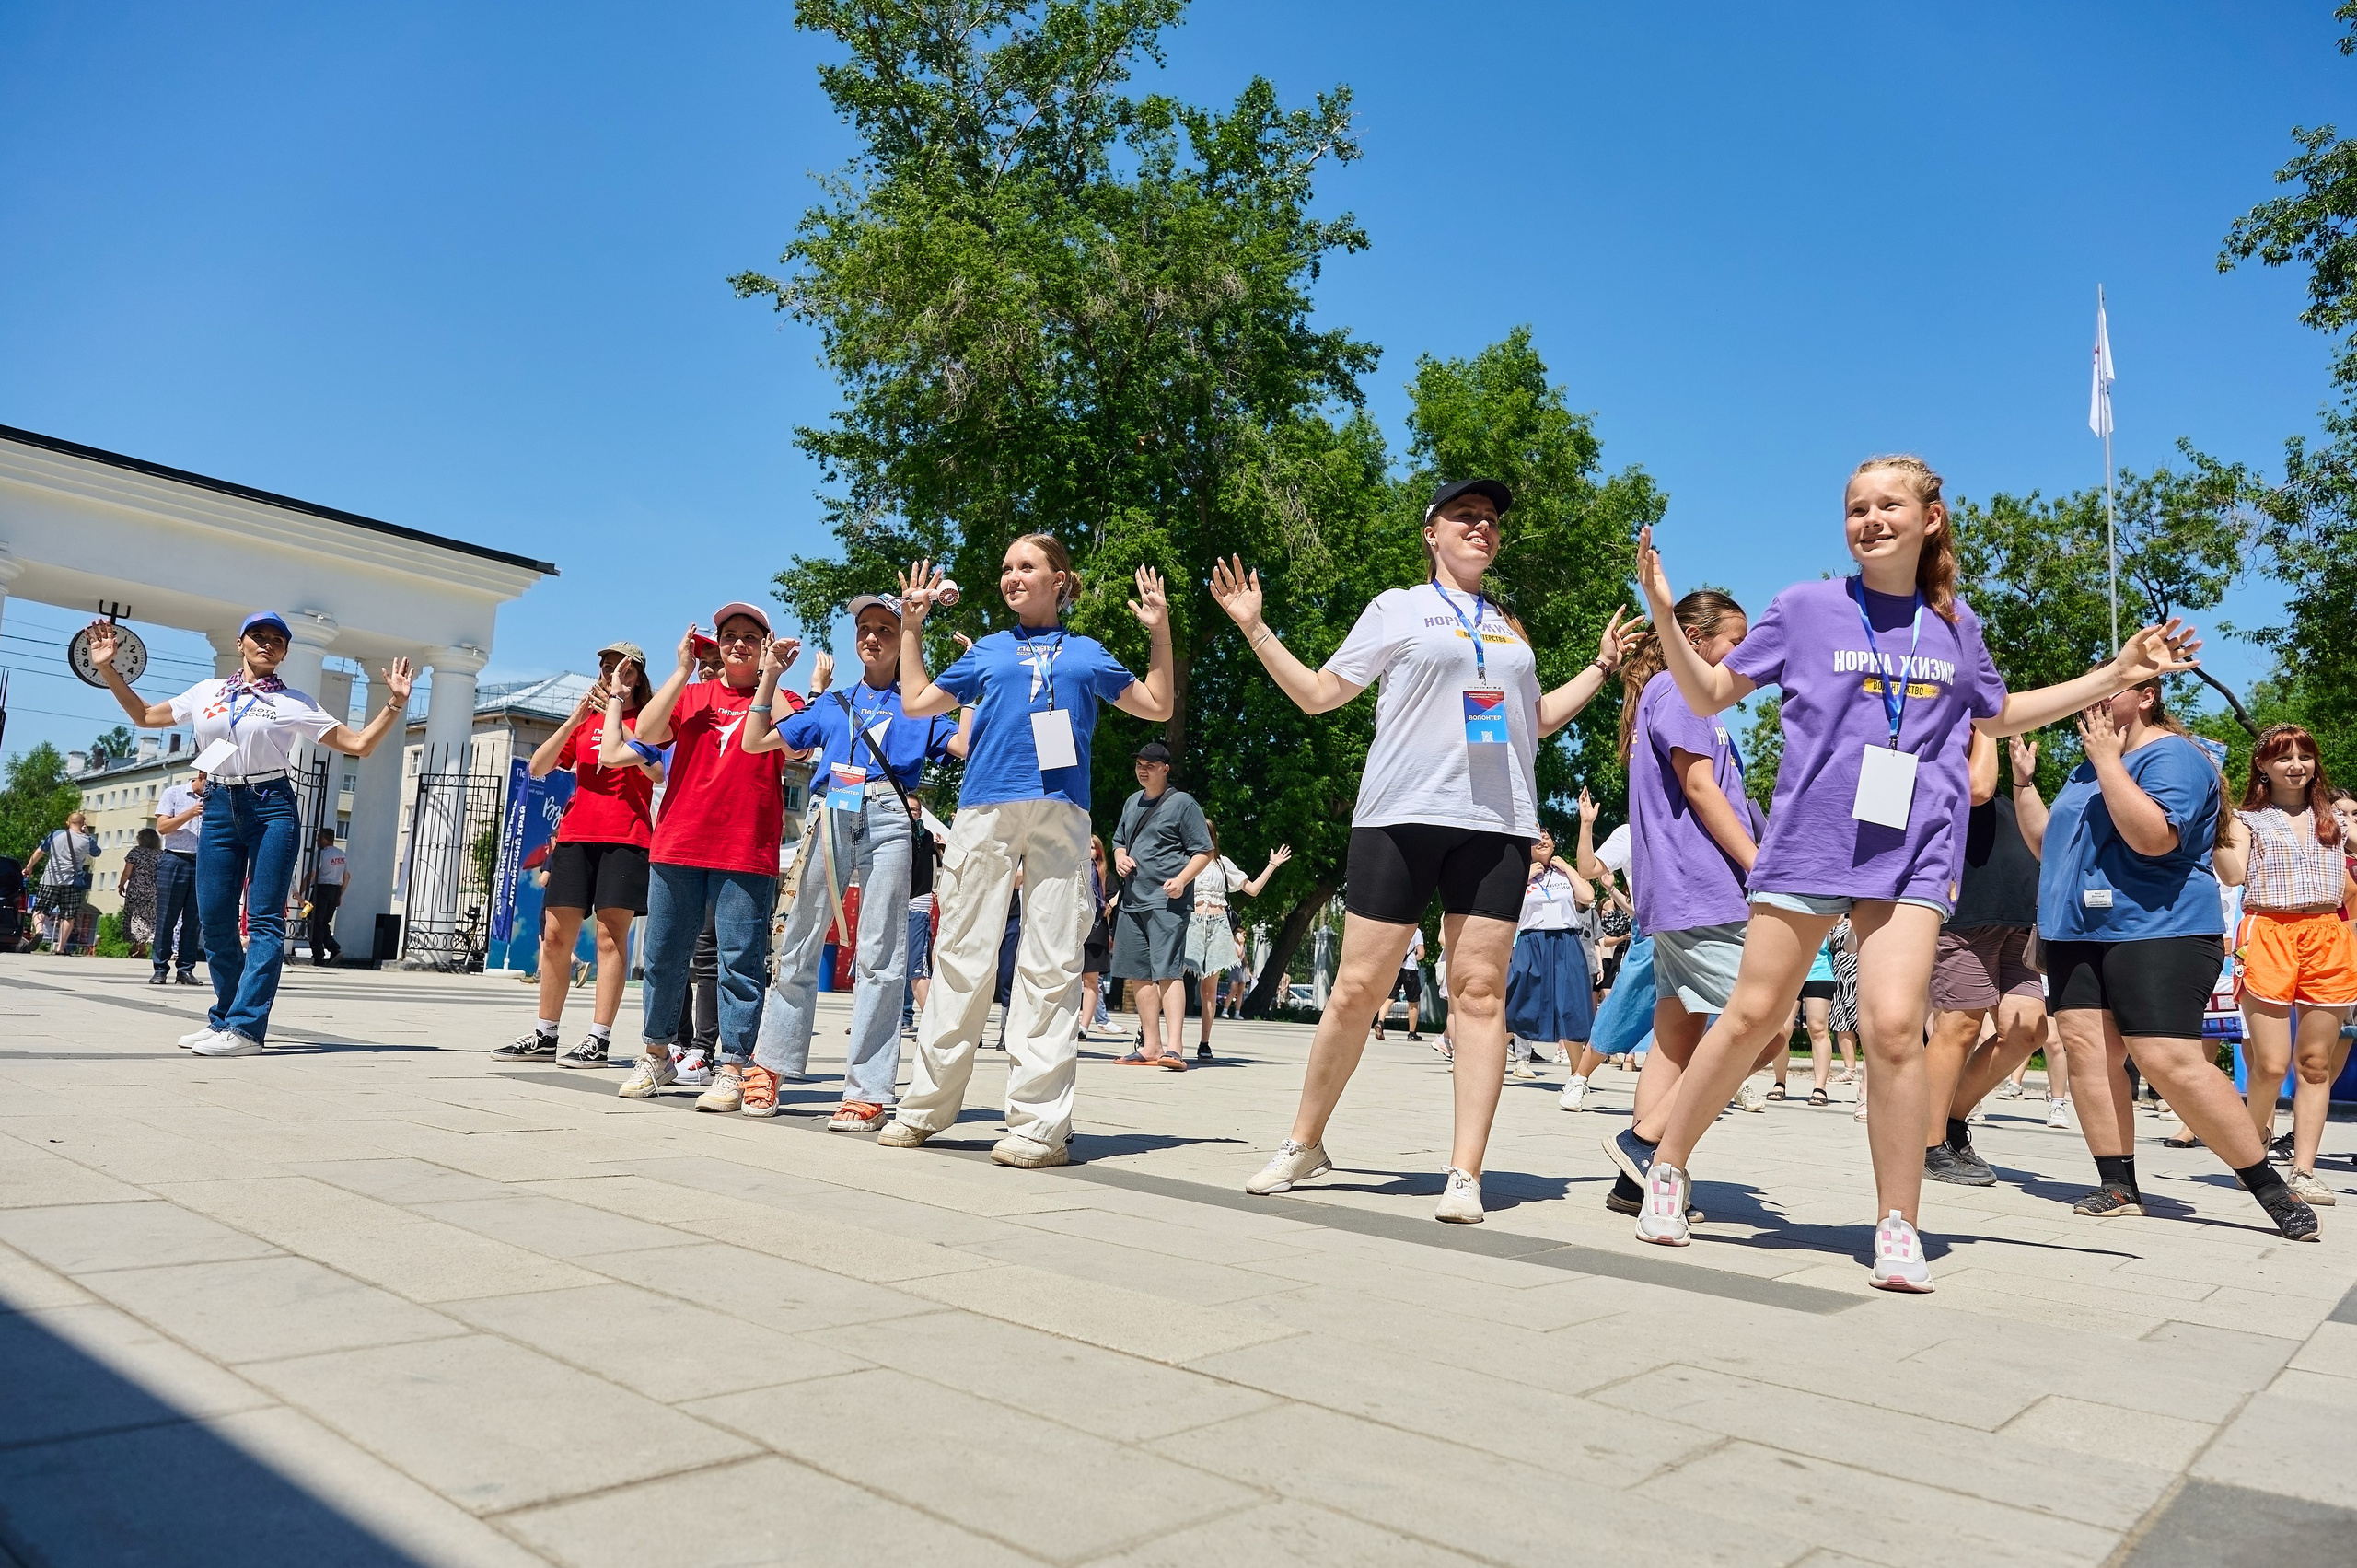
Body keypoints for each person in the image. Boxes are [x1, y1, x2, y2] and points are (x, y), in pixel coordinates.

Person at [1614, 455, 2203, 1290]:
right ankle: (1666, 1164)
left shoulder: (1956, 626)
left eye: (1889, 504)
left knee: (1895, 1028)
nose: (1870, 519)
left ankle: (1897, 1220)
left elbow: (1998, 714)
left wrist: (2115, 675)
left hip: (1912, 851)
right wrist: (1665, 613)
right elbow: (1709, 694)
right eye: (1856, 507)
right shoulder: (1807, 607)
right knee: (1750, 1015)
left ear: (1930, 518)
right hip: (1810, 844)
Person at [1215, 475, 1643, 1224]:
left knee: (1480, 992)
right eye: (1465, 517)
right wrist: (1255, 626)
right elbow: (1320, 693)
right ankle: (1304, 1140)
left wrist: (1602, 667)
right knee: (1355, 989)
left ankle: (1464, 1171)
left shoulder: (1511, 628)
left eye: (1491, 521)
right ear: (1431, 533)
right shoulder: (1397, 607)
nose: (1482, 528)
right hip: (1401, 816)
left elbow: (1534, 721)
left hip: (1499, 824)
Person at [878, 541, 1176, 1169]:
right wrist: (911, 628)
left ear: (1059, 580)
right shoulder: (987, 650)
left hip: (1062, 812)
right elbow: (916, 700)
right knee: (960, 954)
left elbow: (1157, 704)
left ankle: (1039, 1126)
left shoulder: (1087, 654)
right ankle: (925, 1107)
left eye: (1026, 567)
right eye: (1007, 566)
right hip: (985, 808)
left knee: (1050, 963)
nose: (1012, 575)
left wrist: (1160, 634)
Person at [2031, 680, 2316, 1240]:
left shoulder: (2176, 757)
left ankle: (2268, 1186)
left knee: (2166, 1057)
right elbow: (2051, 843)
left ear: (2144, 696)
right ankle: (2117, 1184)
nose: (2092, 699)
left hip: (2160, 927)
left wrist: (2109, 763)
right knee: (2089, 1052)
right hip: (2077, 931)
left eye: (2109, 688)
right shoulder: (2088, 762)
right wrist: (2025, 785)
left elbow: (2154, 838)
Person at [85, 613, 413, 1055]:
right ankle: (224, 1015)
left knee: (263, 919)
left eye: (277, 640)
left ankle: (246, 1029)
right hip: (219, 804)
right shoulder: (207, 693)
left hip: (271, 806)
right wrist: (108, 668)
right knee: (215, 916)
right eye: (258, 636)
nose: (267, 644)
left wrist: (394, 703)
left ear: (284, 653)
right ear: (241, 642)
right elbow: (145, 717)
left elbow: (359, 746)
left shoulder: (293, 702)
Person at [746, 591, 966, 1132]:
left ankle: (867, 1091)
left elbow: (966, 745)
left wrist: (971, 684)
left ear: (904, 639)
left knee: (882, 952)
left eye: (884, 629)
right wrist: (769, 677)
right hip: (831, 812)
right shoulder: (831, 702)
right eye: (863, 627)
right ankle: (770, 1065)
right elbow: (756, 742)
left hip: (891, 814)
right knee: (798, 935)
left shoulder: (921, 705)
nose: (871, 637)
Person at [1592, 588, 1763, 1211]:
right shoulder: (1683, 692)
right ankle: (1648, 1143)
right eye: (1735, 641)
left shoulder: (1663, 697)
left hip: (1676, 893)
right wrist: (1756, 861)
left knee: (1677, 1032)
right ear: (1695, 641)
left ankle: (1634, 1185)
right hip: (1705, 889)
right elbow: (1700, 788)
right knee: (1763, 1029)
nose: (1744, 654)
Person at [609, 606, 805, 1112]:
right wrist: (680, 670)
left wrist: (771, 676)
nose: (738, 645)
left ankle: (734, 1066)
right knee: (664, 957)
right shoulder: (692, 695)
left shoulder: (783, 697)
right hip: (679, 842)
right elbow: (646, 734)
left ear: (764, 645)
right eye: (729, 637)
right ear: (714, 645)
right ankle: (656, 1054)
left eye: (749, 638)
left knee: (738, 959)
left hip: (744, 847)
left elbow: (800, 747)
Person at [495, 643, 657, 1067]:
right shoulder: (586, 724)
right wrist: (577, 718)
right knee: (554, 936)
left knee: (609, 937)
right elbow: (538, 767)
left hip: (625, 837)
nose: (609, 673)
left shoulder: (650, 721)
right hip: (575, 835)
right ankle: (545, 1033)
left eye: (620, 668)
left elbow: (653, 768)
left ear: (637, 675)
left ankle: (598, 1039)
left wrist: (617, 709)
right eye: (604, 666)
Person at [2218, 724, 2357, 1204]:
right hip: (2268, 931)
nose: (2296, 765)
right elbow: (2232, 873)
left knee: (2316, 1064)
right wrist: (2214, 823)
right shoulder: (2244, 819)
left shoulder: (2335, 818)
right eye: (2283, 757)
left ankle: (2303, 1170)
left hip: (2328, 934)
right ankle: (2252, 1156)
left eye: (2305, 755)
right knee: (2271, 1064)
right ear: (2262, 765)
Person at [1920, 730, 2050, 1185]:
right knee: (1960, 1026)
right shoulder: (1937, 748)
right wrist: (1987, 727)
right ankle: (1929, 1145)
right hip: (1965, 914)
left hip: (2016, 916)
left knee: (2029, 1026)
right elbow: (1978, 789)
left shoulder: (1989, 751)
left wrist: (2024, 781)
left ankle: (1948, 1122)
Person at [1110, 742, 1215, 1070]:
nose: (1143, 770)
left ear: (1165, 769)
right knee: (1139, 975)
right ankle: (1151, 1047)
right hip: (1132, 900)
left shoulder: (1183, 803)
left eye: (1151, 765)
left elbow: (1204, 851)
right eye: (1140, 764)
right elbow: (1118, 842)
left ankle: (1175, 1047)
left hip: (1167, 902)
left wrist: (1182, 880)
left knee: (1168, 972)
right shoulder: (1131, 802)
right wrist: (1119, 859)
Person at [1185, 824, 1289, 1061]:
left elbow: (1251, 889)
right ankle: (1160, 1037)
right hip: (1191, 924)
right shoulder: (1186, 859)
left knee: (1209, 989)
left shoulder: (1223, 863)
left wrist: (1272, 865)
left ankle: (1204, 1043)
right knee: (1171, 979)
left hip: (1218, 925)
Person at [1506, 830, 1594, 1091]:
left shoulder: (1564, 873)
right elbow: (1505, 903)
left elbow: (1587, 897)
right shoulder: (1520, 873)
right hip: (1531, 942)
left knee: (1571, 1006)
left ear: (1554, 843)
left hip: (1565, 941)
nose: (1541, 841)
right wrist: (1526, 877)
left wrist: (1567, 867)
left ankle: (1577, 1076)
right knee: (1516, 1001)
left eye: (1545, 837)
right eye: (1534, 839)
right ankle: (1487, 1062)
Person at [150, 772, 206, 985]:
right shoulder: (173, 793)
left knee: (194, 921)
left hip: (201, 862)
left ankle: (185, 969)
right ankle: (160, 968)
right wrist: (191, 813)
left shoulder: (217, 797)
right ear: (201, 775)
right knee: (167, 918)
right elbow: (163, 827)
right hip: (174, 859)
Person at [26, 811, 99, 955]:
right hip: (72, 883)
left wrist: (29, 867)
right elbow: (97, 853)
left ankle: (40, 931)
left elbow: (40, 851)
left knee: (39, 910)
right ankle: (60, 948)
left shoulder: (56, 834)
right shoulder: (87, 840)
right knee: (68, 916)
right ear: (83, 824)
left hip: (49, 880)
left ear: (68, 823)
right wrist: (88, 834)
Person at [905, 799, 947, 1035]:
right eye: (907, 808)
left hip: (918, 904)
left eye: (914, 809)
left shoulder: (925, 835)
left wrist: (942, 848)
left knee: (917, 970)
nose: (910, 813)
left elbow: (941, 861)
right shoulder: (896, 833)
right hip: (898, 906)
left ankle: (935, 1025)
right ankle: (902, 1020)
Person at [1079, 836, 1115, 1038]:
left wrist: (1108, 906)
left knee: (1091, 980)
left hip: (1096, 930)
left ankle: (1084, 1026)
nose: (1089, 850)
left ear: (1099, 852)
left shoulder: (1105, 876)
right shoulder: (1077, 870)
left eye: (1093, 847)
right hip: (1075, 929)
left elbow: (1118, 894)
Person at [1375, 929, 1427, 1044]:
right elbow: (1421, 953)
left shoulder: (1397, 929)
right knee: (1413, 1002)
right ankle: (1412, 1033)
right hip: (1410, 970)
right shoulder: (1416, 931)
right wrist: (1414, 958)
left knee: (1389, 998)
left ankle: (1380, 1022)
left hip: (1395, 968)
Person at [305, 828, 349, 966]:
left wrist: (300, 892)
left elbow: (312, 874)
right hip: (335, 890)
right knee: (323, 922)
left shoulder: (321, 854)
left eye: (318, 838)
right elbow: (347, 877)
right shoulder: (341, 854)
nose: (317, 841)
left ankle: (319, 955)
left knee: (314, 922)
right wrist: (340, 894)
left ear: (324, 839)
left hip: (321, 890)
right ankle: (333, 947)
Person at [119, 827, 162, 958]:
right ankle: (139, 946)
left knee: (134, 916)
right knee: (148, 918)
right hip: (153, 890)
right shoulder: (160, 854)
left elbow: (127, 872)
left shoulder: (135, 852)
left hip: (136, 889)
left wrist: (121, 885)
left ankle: (140, 947)